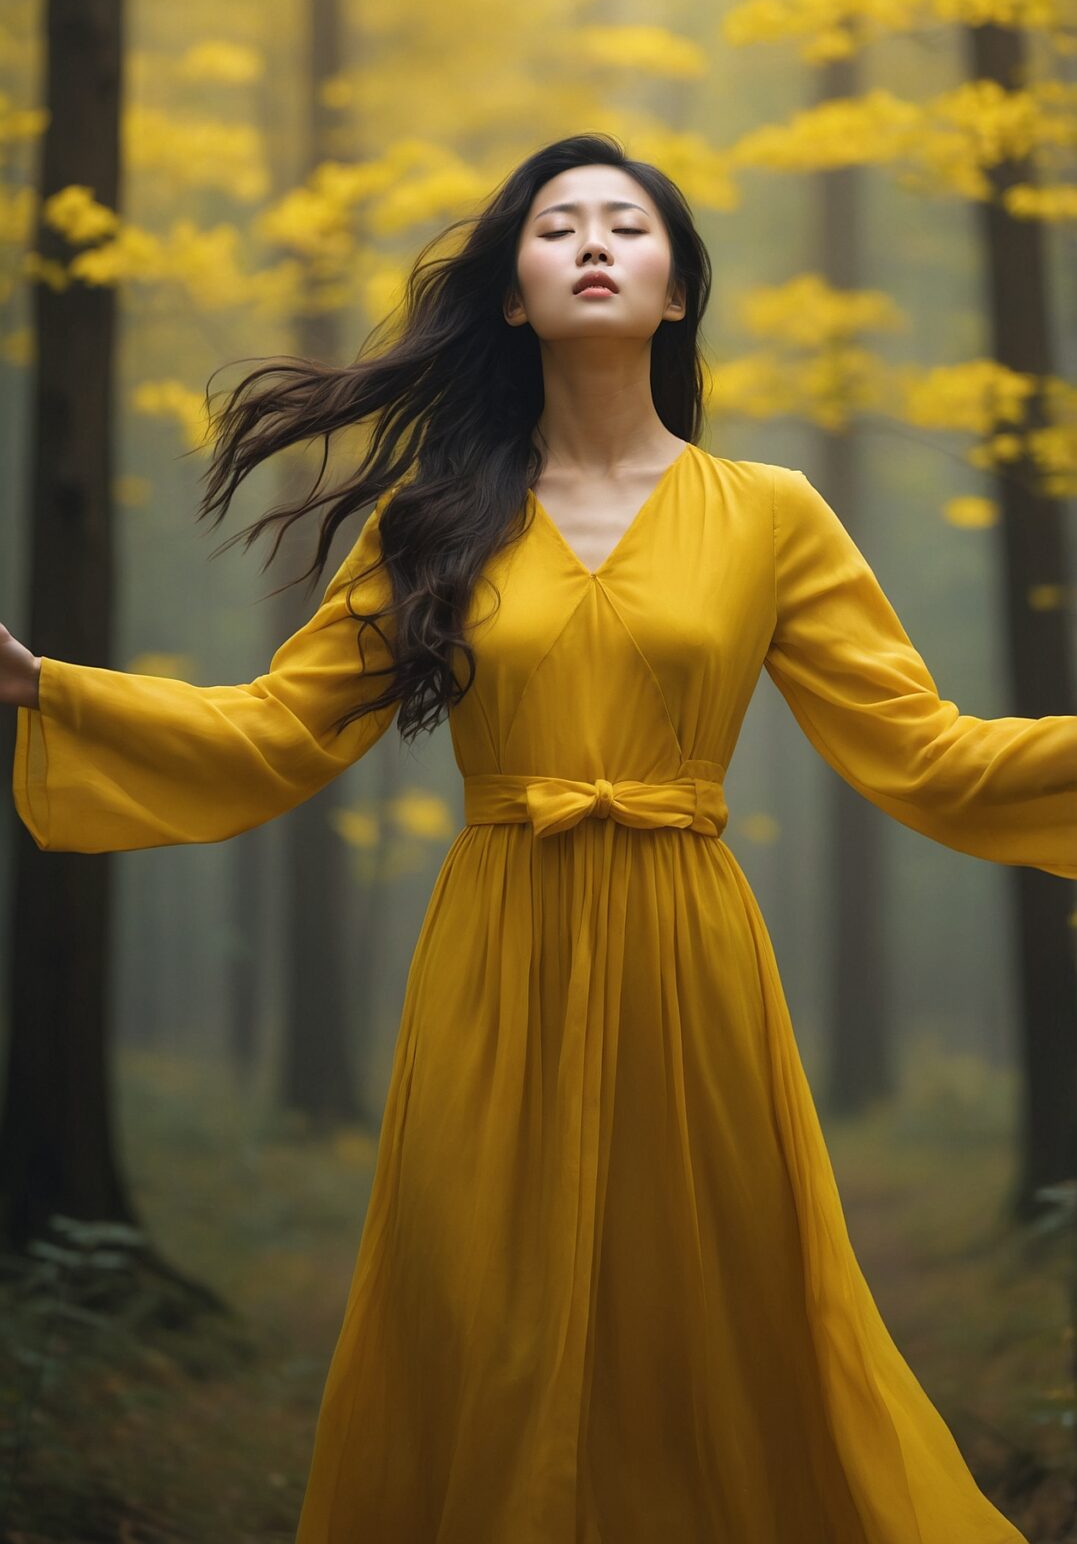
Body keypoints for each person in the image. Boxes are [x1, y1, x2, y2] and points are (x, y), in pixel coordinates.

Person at [3, 131, 1074, 1543]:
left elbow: (925, 754)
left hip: (690, 960)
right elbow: (272, 733)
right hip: (494, 958)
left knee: (714, 1309)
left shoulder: (769, 515)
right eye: (555, 224)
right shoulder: (431, 522)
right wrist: (43, 689)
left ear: (675, 289)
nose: (588, 242)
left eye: (624, 226)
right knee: (482, 1308)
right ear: (511, 294)